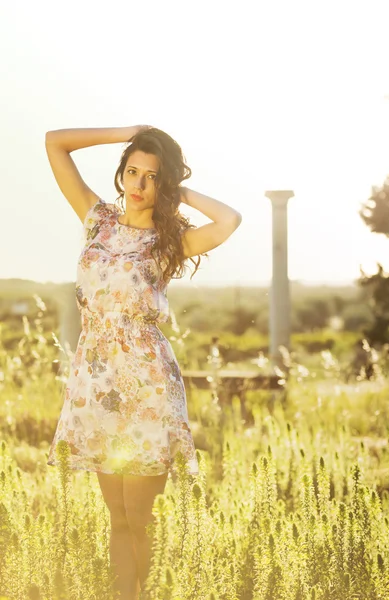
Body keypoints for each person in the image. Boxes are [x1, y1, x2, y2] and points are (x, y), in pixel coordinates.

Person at [44, 125, 242, 600]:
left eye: (151, 178)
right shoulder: (98, 221)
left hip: (148, 387)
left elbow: (229, 220)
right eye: (132, 172)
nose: (137, 185)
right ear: (121, 174)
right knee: (116, 517)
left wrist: (178, 187)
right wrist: (127, 132)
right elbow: (55, 142)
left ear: (164, 185)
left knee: (139, 516)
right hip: (96, 382)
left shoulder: (167, 241)